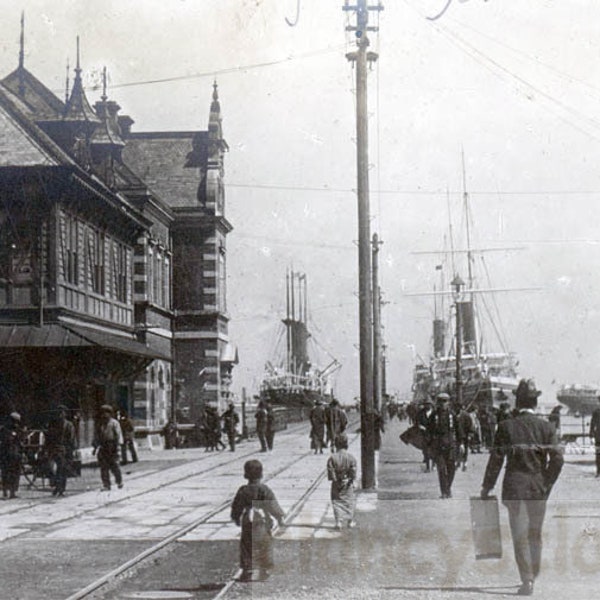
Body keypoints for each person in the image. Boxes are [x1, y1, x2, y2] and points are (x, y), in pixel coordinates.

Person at [481, 378, 563, 597]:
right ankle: (533, 574)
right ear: (535, 402)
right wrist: (547, 482)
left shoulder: (506, 427)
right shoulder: (546, 427)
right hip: (538, 487)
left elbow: (496, 459)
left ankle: (526, 579)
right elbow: (557, 459)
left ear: (517, 400)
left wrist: (487, 486)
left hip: (514, 487)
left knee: (519, 534)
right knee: (535, 533)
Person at [231, 459, 285, 582]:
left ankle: (247, 570)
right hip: (262, 519)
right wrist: (279, 517)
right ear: (261, 474)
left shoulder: (243, 490)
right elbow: (272, 505)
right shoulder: (264, 489)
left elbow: (237, 505)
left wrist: (236, 517)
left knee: (246, 545)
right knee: (264, 544)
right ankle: (265, 569)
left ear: (245, 475)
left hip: (248, 519)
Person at [427, 393, 464, 499]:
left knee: (451, 469)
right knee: (442, 469)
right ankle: (444, 491)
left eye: (445, 401)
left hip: (451, 445)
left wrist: (461, 443)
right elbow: (429, 431)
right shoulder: (434, 416)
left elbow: (459, 430)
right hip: (438, 445)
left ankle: (448, 488)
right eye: (441, 401)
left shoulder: (452, 415)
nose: (443, 404)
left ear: (448, 403)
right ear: (438, 403)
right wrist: (429, 445)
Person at [327, 432, 357, 530]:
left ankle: (338, 522)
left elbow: (331, 471)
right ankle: (350, 521)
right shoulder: (351, 457)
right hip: (347, 482)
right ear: (346, 444)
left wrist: (335, 479)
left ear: (336, 445)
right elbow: (353, 470)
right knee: (349, 501)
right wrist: (351, 479)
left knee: (336, 501)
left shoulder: (332, 458)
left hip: (336, 483)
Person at [44, 405, 76, 497]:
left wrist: (71, 450)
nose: (60, 415)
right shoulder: (53, 424)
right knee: (52, 469)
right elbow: (48, 438)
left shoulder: (69, 425)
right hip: (53, 449)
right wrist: (46, 449)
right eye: (58, 413)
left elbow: (72, 439)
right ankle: (56, 487)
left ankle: (60, 489)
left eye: (62, 413)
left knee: (62, 469)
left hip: (64, 450)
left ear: (65, 414)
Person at [93, 405, 124, 491]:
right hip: (103, 446)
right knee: (103, 467)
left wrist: (118, 448)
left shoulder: (114, 423)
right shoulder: (100, 424)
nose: (104, 415)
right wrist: (95, 447)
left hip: (112, 446)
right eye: (103, 413)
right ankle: (106, 484)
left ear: (110, 414)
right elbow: (97, 436)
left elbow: (118, 435)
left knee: (114, 465)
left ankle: (119, 481)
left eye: (106, 412)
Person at [0, 412, 22, 499]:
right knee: (6, 473)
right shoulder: (4, 430)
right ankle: (5, 492)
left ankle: (12, 492)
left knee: (14, 473)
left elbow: (19, 443)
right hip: (6, 455)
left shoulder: (17, 430)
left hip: (15, 455)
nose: (15, 423)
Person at [416, 399, 435, 472]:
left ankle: (433, 464)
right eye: (426, 404)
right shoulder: (421, 413)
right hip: (424, 434)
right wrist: (420, 426)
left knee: (434, 450)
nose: (428, 405)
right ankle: (427, 467)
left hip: (433, 434)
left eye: (429, 404)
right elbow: (417, 422)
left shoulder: (434, 413)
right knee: (426, 450)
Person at [589, 397, 600, 477]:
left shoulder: (596, 412)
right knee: (598, 454)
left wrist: (591, 435)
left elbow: (592, 424)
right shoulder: (596, 412)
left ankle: (598, 471)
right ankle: (598, 471)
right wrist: (591, 435)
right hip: (598, 436)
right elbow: (592, 424)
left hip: (598, 436)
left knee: (598, 454)